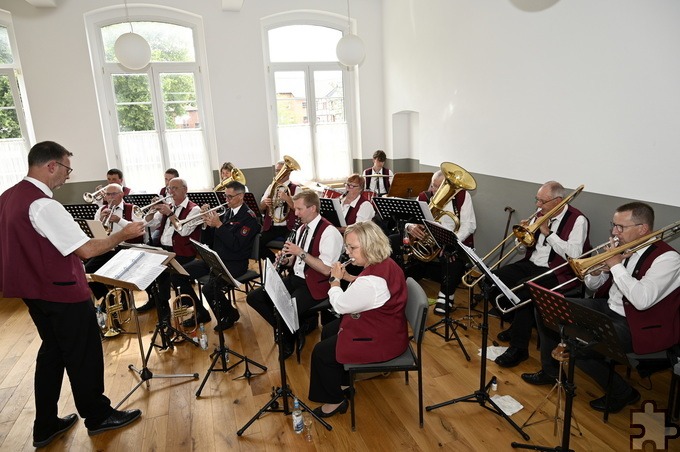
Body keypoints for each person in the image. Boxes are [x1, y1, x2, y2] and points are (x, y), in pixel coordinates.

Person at [0, 141, 145, 447]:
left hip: (32, 291)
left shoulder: (9, 196)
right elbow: (86, 249)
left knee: (52, 353)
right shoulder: (43, 204)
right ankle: (98, 416)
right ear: (51, 165)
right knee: (84, 355)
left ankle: (46, 424)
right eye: (67, 168)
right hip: (61, 292)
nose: (68, 175)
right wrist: (123, 234)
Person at [522, 202, 680, 414]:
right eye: (613, 225)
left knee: (581, 345)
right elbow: (592, 286)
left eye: (620, 227)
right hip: (608, 306)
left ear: (643, 228)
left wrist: (615, 265)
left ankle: (622, 392)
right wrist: (600, 271)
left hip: (639, 323)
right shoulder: (622, 248)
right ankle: (551, 371)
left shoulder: (668, 258)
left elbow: (642, 300)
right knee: (547, 308)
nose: (614, 232)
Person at [308, 221, 409, 417]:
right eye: (347, 247)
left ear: (370, 246)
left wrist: (334, 280)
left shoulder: (371, 281)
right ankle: (344, 383)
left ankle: (335, 401)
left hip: (382, 341)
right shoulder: (385, 263)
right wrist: (349, 278)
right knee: (330, 330)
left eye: (352, 247)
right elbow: (374, 291)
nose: (348, 252)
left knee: (321, 353)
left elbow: (339, 305)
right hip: (389, 328)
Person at [491, 181, 591, 368]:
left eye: (542, 201)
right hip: (531, 264)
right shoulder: (540, 214)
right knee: (492, 280)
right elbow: (523, 249)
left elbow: (575, 254)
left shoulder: (578, 220)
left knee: (524, 292)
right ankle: (517, 325)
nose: (538, 205)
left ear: (558, 201)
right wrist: (521, 238)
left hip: (559, 271)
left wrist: (547, 232)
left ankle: (519, 349)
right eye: (537, 199)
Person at [247, 190, 343, 359]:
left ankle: (289, 337)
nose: (295, 213)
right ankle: (291, 330)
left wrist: (300, 252)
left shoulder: (330, 233)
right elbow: (295, 262)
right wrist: (286, 260)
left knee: (285, 310)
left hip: (316, 284)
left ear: (312, 208)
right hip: (296, 278)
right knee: (255, 297)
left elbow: (327, 270)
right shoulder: (301, 229)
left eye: (299, 209)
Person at [171, 181, 260, 331]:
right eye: (225, 196)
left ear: (241, 196)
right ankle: (200, 312)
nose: (226, 200)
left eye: (230, 197)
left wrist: (219, 225)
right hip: (216, 259)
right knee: (178, 274)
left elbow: (236, 245)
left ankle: (230, 314)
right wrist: (206, 223)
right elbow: (209, 242)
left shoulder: (249, 218)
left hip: (234, 262)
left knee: (208, 288)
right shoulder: (226, 212)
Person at [401, 169, 476, 315]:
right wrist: (410, 227)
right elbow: (409, 220)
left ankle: (446, 296)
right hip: (428, 240)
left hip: (451, 238)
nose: (433, 190)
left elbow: (469, 225)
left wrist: (451, 241)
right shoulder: (424, 196)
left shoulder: (462, 196)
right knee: (396, 241)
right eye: (432, 185)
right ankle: (399, 283)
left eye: (437, 187)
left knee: (450, 255)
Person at [137, 177, 202, 315]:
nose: (171, 191)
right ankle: (162, 306)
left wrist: (170, 213)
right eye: (169, 188)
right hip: (165, 250)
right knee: (150, 272)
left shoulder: (194, 209)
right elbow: (149, 224)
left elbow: (184, 231)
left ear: (185, 190)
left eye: (174, 188)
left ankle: (194, 308)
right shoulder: (169, 206)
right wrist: (152, 211)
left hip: (183, 252)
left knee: (168, 275)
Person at [85, 183, 145, 303]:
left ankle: (125, 301)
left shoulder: (132, 208)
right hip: (108, 248)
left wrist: (119, 220)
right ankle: (108, 299)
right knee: (88, 271)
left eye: (114, 194)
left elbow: (140, 227)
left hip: (127, 248)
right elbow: (95, 233)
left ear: (122, 194)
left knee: (122, 272)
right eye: (108, 194)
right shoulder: (100, 210)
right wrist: (101, 220)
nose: (110, 197)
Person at [259, 160, 298, 261]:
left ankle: (287, 265)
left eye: (281, 171)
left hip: (288, 227)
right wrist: (266, 202)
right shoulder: (271, 187)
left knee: (289, 247)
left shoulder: (296, 188)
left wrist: (287, 198)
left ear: (288, 173)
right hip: (272, 226)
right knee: (256, 244)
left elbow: (298, 209)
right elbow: (261, 207)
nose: (278, 174)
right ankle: (275, 262)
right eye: (277, 171)